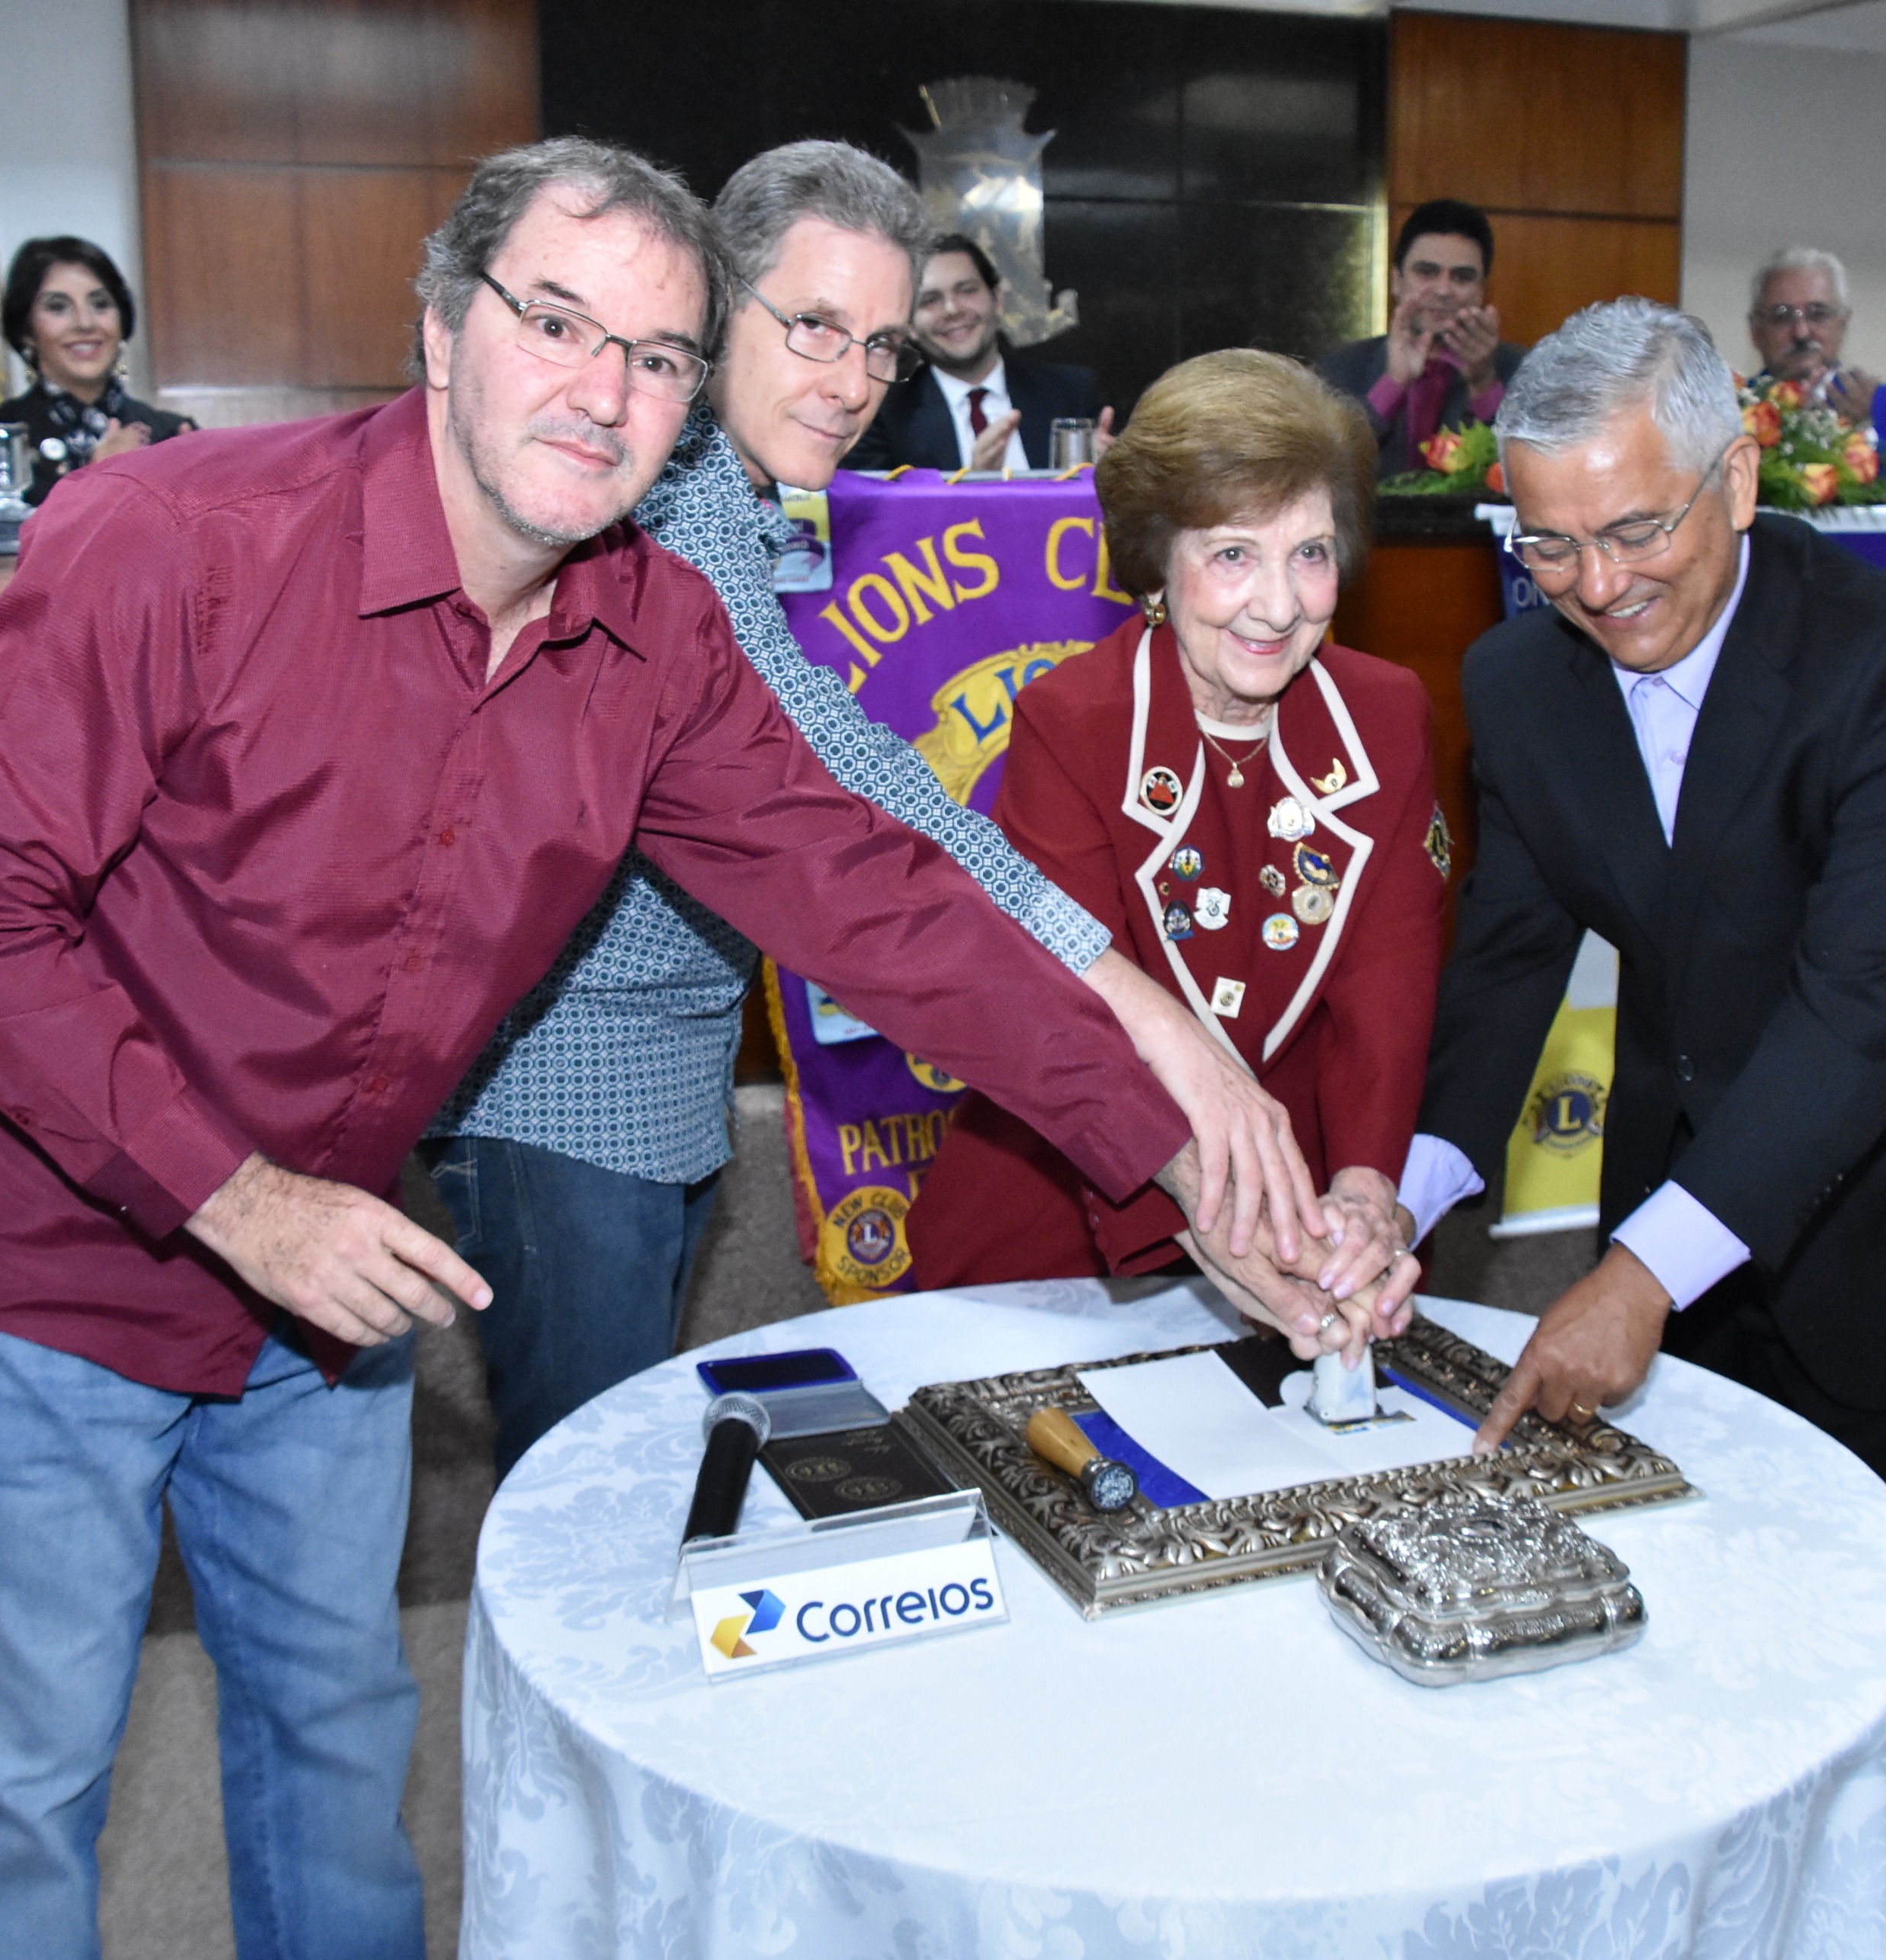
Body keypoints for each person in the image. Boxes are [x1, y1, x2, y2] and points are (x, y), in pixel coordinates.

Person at [0, 137, 1355, 1959]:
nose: (604, 392)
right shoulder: (174, 538)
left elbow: (878, 896)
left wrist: (1177, 1148)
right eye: (557, 323)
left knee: (337, 1743)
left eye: (655, 356)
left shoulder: (655, 637)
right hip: (36, 1276)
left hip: (324, 1298)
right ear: (441, 329)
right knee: (16, 1786)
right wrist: (235, 1199)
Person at [426, 143, 1343, 1478]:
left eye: (881, 347)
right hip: (561, 1079)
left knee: (630, 1469)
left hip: (660, 1072)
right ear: (712, 300)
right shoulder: (654, 500)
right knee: (593, 1487)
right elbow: (847, 788)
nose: (852, 383)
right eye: (813, 326)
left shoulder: (719, 491)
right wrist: (1140, 1017)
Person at [1403, 298, 1886, 1697]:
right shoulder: (1516, 679)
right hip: (1679, 1157)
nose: (1596, 585)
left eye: (1635, 529)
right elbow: (1510, 952)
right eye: (1548, 544)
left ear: (1737, 478)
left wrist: (1639, 1274)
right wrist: (1403, 1194)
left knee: (1875, 1608)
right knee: (1687, 1592)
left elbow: (1865, 1017)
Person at [907, 348, 1439, 1339]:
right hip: (1080, 1189)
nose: (1279, 604)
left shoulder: (1388, 714)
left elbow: (1388, 981)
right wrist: (1216, 1209)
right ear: (1157, 558)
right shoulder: (1073, 721)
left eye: (1310, 553)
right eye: (1233, 554)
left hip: (1306, 1208)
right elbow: (1075, 1005)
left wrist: (1367, 1187)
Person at [0, 234, 193, 508]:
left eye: (100, 304)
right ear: (26, 331)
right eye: (58, 307)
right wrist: (98, 478)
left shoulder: (172, 434)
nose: (85, 323)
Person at [845, 232, 1108, 473]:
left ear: (998, 300)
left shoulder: (1071, 392)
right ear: (909, 326)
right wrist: (974, 483)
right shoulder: (883, 413)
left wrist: (1112, 472)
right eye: (930, 301)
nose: (952, 310)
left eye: (967, 291)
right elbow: (877, 509)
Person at [1314, 199, 1525, 478]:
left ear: (1482, 290)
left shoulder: (1527, 371)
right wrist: (1393, 384)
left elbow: (1529, 472)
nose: (1443, 290)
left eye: (1462, 277)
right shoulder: (1340, 369)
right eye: (1427, 272)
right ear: (1396, 281)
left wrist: (1483, 383)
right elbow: (1321, 467)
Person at [1743, 246, 1886, 490]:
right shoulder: (1730, 407)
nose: (1801, 332)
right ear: (1756, 331)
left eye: (1818, 314)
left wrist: (1861, 435)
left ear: (1843, 324)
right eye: (1782, 316)